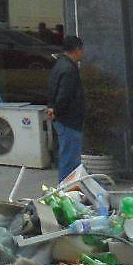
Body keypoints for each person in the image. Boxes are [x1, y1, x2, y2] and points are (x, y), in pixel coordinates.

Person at [46, 35, 85, 180]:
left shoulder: (59, 65)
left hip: (62, 119)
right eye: (81, 50)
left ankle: (69, 187)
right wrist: (56, 110)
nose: (82, 53)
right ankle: (66, 189)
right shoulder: (69, 69)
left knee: (67, 156)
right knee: (70, 160)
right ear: (77, 49)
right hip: (69, 120)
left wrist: (52, 108)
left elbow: (53, 89)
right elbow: (65, 94)